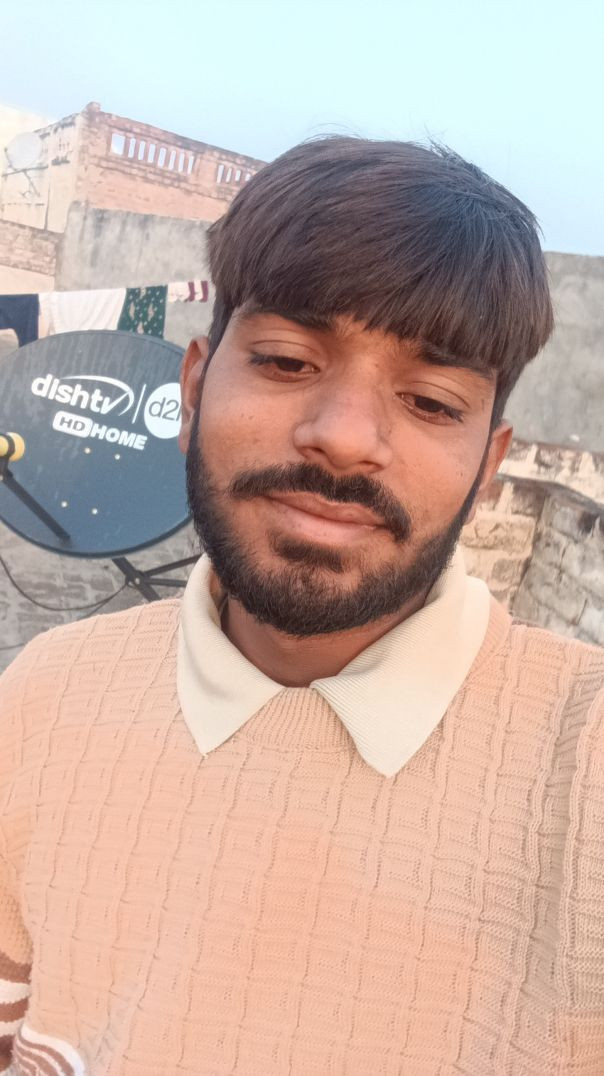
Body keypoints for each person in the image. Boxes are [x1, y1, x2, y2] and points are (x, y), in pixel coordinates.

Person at [0, 137, 602, 1076]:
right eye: (285, 360)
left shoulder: (581, 761)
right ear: (192, 387)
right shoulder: (44, 695)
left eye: (432, 401)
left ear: (489, 464)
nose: (346, 437)